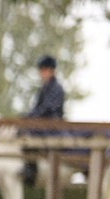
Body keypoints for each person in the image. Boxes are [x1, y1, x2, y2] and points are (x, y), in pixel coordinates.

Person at [22, 54, 65, 186]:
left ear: (51, 71)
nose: (42, 73)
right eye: (42, 70)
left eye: (45, 70)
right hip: (43, 123)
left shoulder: (56, 88)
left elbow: (48, 108)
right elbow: (38, 108)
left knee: (29, 136)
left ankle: (31, 170)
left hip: (51, 125)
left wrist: (32, 117)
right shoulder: (45, 88)